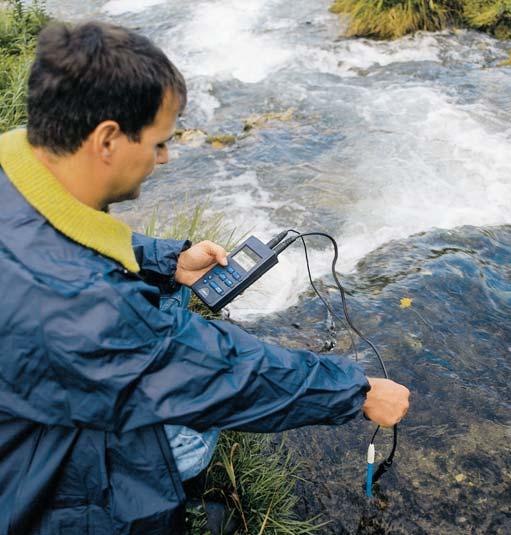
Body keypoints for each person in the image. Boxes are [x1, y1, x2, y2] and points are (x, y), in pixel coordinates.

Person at [0, 20, 410, 535]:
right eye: (158, 142)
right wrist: (357, 391)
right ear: (107, 138)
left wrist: (165, 260)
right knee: (194, 431)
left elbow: (57, 233)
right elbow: (219, 372)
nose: (165, 158)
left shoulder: (14, 165)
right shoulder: (74, 297)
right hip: (26, 484)